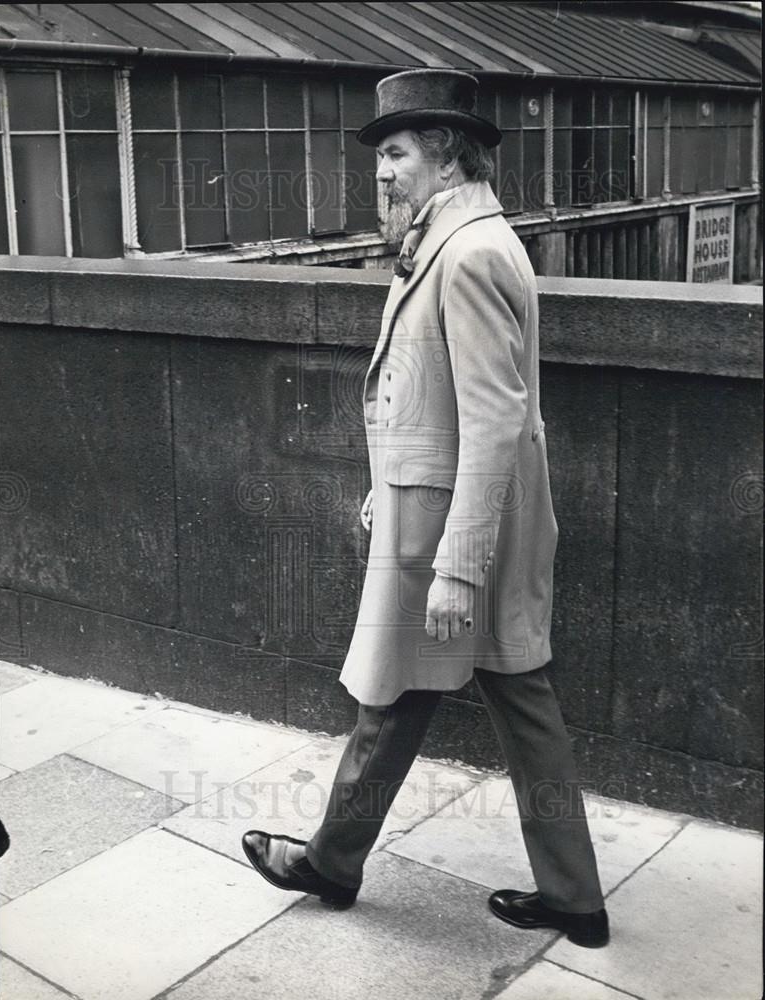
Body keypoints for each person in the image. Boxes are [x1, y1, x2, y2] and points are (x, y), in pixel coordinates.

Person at [242, 69, 609, 949]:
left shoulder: (471, 252)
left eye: (397, 152)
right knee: (502, 697)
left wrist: (455, 565)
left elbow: (493, 423)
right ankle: (575, 898)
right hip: (454, 517)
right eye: (380, 156)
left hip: (459, 532)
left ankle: (332, 861)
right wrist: (389, 485)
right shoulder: (458, 237)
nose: (381, 173)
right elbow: (442, 405)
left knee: (399, 693)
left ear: (447, 156)